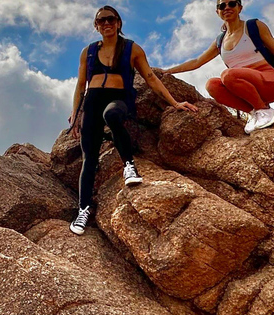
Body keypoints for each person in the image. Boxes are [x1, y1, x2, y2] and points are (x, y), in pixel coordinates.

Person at [68, 5, 197, 236]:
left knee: (112, 114)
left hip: (118, 99)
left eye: (111, 19)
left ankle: (129, 165)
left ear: (118, 23)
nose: (106, 24)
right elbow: (80, 86)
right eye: (101, 21)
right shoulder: (87, 51)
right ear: (96, 26)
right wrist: (76, 115)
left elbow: (150, 78)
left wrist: (175, 103)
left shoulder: (131, 49)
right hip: (93, 101)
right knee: (89, 158)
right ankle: (83, 210)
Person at [165, 0, 274, 134]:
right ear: (217, 12)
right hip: (245, 89)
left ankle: (263, 109)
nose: (226, 8)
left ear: (240, 8)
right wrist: (167, 71)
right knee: (212, 85)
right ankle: (255, 113)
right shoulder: (220, 41)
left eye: (232, 4)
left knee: (228, 75)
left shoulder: (253, 26)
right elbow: (197, 62)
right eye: (222, 6)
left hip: (270, 82)